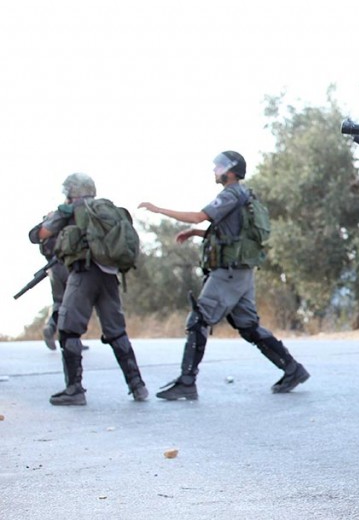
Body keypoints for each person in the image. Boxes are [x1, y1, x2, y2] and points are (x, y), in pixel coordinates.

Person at [137, 151, 309, 400]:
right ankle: (293, 369)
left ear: (230, 170)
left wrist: (158, 209)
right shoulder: (245, 194)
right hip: (241, 272)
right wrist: (196, 233)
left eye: (218, 167)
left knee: (198, 320)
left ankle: (187, 381)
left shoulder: (231, 194)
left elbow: (200, 215)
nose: (215, 171)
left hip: (229, 273)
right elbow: (231, 233)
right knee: (248, 327)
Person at [33, 173, 148, 405]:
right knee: (116, 332)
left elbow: (38, 235)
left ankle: (74, 389)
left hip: (84, 274)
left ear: (71, 192)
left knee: (68, 329)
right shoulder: (106, 210)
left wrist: (54, 216)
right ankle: (137, 386)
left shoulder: (69, 210)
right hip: (109, 276)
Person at [28, 214, 71, 351]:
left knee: (59, 302)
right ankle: (69, 338)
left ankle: (51, 327)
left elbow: (35, 237)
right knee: (73, 303)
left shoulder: (50, 222)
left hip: (53, 268)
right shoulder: (69, 220)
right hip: (69, 267)